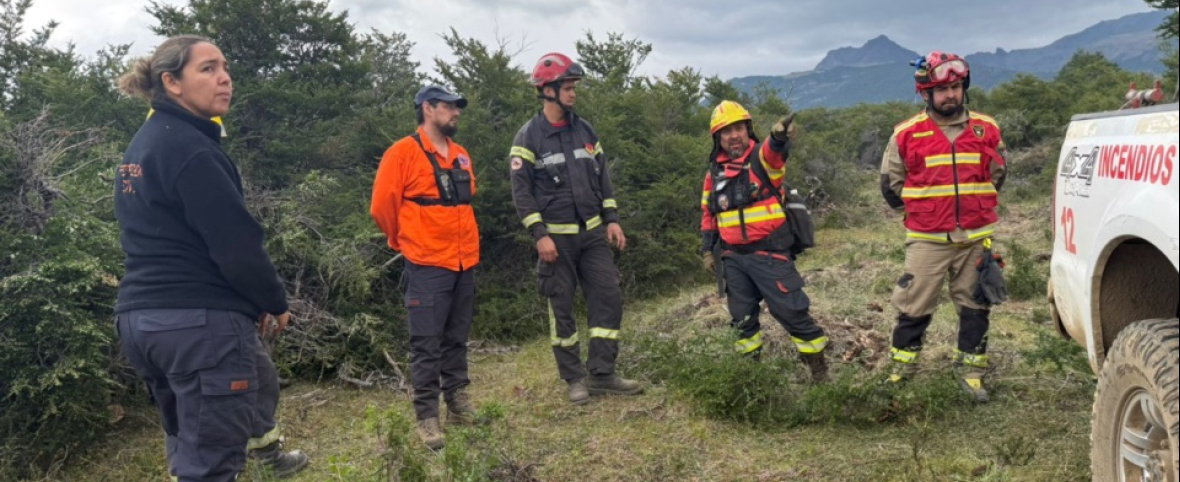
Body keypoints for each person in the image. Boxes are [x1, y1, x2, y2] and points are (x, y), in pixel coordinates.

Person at [113, 35, 308, 481]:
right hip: (197, 325)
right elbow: (236, 245)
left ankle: (268, 456)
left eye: (225, 67)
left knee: (190, 439)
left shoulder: (143, 145)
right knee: (211, 468)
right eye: (207, 68)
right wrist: (274, 302)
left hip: (142, 320)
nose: (224, 78)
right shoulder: (191, 148)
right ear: (172, 82)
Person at [509, 52, 642, 405]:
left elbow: (604, 177)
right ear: (547, 91)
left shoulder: (585, 130)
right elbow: (521, 194)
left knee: (608, 297)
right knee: (562, 307)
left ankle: (602, 374)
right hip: (557, 242)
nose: (573, 93)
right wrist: (540, 235)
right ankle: (574, 379)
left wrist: (612, 219)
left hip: (594, 235)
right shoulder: (528, 137)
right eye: (567, 88)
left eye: (573, 88)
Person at [880, 51, 1007, 402]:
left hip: (975, 238)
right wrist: (921, 214)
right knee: (913, 307)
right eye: (941, 89)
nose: (950, 95)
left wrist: (972, 208)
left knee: (976, 306)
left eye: (955, 87)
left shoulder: (987, 129)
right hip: (927, 239)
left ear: (963, 87)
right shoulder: (906, 135)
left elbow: (998, 175)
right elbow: (890, 185)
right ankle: (900, 373)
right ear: (926, 94)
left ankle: (971, 374)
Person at [370, 85, 479, 450]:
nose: (456, 112)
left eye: (457, 107)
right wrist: (405, 242)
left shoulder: (461, 155)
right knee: (426, 343)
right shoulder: (402, 153)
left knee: (456, 337)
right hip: (427, 263)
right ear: (428, 109)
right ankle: (427, 417)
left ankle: (459, 404)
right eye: (449, 106)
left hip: (465, 261)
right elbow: (382, 207)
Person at [699, 101, 831, 383]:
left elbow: (776, 150)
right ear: (717, 138)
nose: (733, 135)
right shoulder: (713, 175)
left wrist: (779, 136)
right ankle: (752, 378)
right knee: (742, 321)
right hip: (733, 259)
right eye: (726, 131)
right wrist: (707, 250)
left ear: (748, 129)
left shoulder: (762, 159)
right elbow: (708, 215)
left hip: (770, 254)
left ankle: (820, 373)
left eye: (738, 128)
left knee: (792, 313)